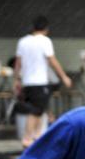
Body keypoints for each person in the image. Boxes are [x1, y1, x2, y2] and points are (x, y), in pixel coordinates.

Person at [14, 15, 72, 147]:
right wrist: (64, 76)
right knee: (36, 111)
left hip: (27, 83)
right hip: (39, 82)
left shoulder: (23, 41)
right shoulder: (45, 41)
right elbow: (52, 61)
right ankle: (28, 138)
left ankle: (37, 137)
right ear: (46, 28)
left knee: (39, 110)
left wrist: (16, 79)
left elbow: (18, 63)